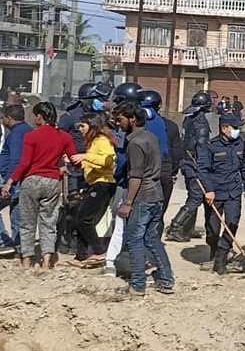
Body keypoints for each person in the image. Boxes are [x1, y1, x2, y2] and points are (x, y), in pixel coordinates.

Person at [1, 102, 76, 269]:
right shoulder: (64, 137)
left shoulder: (32, 136)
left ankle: (26, 260)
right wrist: (64, 167)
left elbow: (24, 163)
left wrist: (10, 182)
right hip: (52, 181)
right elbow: (74, 159)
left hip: (32, 180)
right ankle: (47, 261)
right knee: (48, 222)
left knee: (27, 222)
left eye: (35, 116)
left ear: (40, 117)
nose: (34, 119)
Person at [112, 101, 175, 296]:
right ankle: (166, 279)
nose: (118, 123)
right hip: (156, 194)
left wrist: (128, 203)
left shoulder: (135, 143)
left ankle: (138, 284)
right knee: (151, 238)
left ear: (132, 119)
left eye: (120, 119)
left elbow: (136, 175)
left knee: (135, 240)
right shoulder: (151, 137)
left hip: (142, 196)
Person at [198, 114, 245, 275]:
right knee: (212, 229)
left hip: (233, 192)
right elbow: (202, 170)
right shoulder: (210, 146)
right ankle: (214, 251)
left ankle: (221, 259)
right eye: (234, 128)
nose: (237, 131)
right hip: (214, 193)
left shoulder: (240, 143)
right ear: (224, 128)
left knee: (232, 223)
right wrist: (208, 190)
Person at [65, 112, 117, 267]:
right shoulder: (92, 142)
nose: (80, 129)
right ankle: (80, 256)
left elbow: (107, 162)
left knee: (84, 219)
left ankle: (100, 252)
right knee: (78, 218)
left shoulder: (102, 140)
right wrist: (73, 161)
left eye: (82, 125)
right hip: (93, 183)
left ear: (92, 125)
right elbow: (89, 164)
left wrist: (85, 157)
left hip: (104, 184)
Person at [165, 91, 212, 242]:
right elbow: (201, 145)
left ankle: (187, 229)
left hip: (186, 162)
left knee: (194, 195)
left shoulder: (188, 119)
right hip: (194, 163)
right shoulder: (200, 123)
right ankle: (176, 227)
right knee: (196, 197)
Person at [137, 90, 183, 220]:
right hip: (164, 170)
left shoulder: (139, 125)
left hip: (144, 171)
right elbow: (176, 152)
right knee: (158, 213)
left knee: (141, 213)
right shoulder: (171, 126)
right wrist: (172, 172)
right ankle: (155, 238)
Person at [0, 104, 31, 255]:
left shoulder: (17, 134)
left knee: (16, 210)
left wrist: (8, 181)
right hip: (20, 178)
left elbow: (16, 160)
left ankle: (5, 242)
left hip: (13, 179)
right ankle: (18, 246)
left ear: (8, 118)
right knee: (16, 212)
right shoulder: (25, 130)